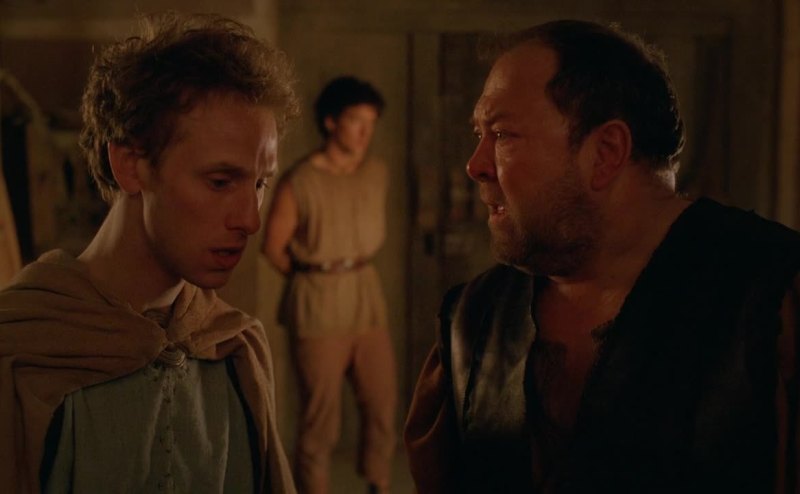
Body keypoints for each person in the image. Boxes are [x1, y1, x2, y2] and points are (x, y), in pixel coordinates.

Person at [404, 19, 800, 493]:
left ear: (606, 152)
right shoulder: (474, 319)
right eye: (479, 134)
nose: (475, 165)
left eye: (503, 134)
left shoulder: (773, 296)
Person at [0, 12, 299, 493]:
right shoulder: (22, 349)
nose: (250, 220)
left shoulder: (234, 347)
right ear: (130, 165)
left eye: (259, 183)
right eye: (220, 181)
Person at [262, 76, 397, 494]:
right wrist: (313, 278)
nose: (364, 133)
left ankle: (378, 484)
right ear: (331, 122)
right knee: (321, 419)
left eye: (371, 123)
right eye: (356, 121)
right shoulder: (301, 181)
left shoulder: (376, 172)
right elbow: (273, 248)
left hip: (365, 294)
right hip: (319, 303)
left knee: (382, 403)